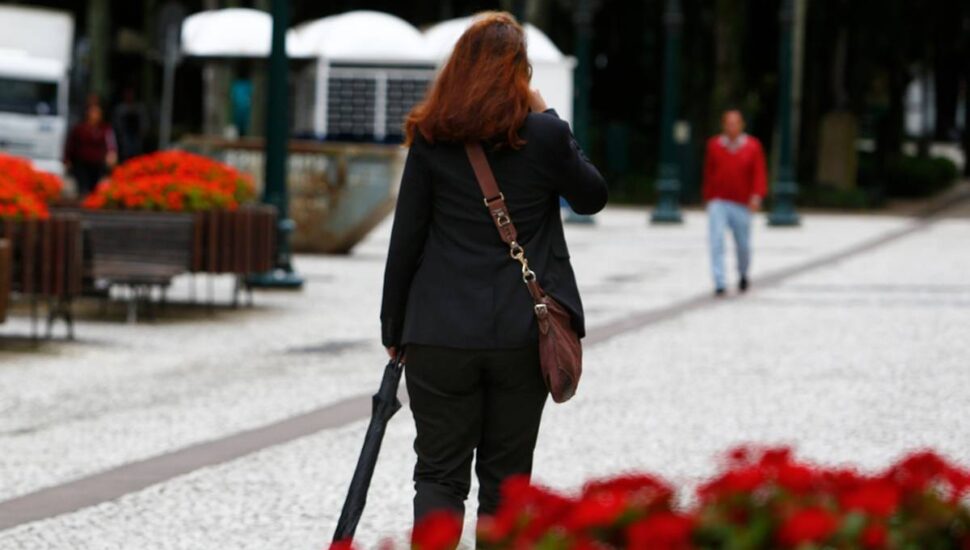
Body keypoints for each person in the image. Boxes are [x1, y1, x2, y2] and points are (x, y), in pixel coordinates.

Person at [379, 11, 607, 537]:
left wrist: (394, 328)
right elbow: (592, 196)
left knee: (438, 475)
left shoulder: (432, 137)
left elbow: (405, 241)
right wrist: (550, 114)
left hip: (437, 333)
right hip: (521, 332)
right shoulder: (544, 135)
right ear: (520, 74)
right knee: (506, 483)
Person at [702, 109, 767, 296]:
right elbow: (709, 173)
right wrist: (708, 197)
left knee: (743, 244)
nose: (732, 127)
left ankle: (743, 273)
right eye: (728, 123)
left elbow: (759, 173)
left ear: (741, 125)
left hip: (742, 203)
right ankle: (719, 281)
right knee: (716, 241)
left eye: (735, 123)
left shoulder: (752, 146)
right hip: (719, 201)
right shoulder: (714, 145)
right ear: (723, 125)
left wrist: (757, 196)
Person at [64, 101, 117, 196]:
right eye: (92, 112)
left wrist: (111, 155)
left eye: (97, 113)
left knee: (95, 188)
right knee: (83, 188)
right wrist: (67, 159)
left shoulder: (105, 129)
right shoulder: (79, 129)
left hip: (97, 163)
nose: (94, 115)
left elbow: (111, 144)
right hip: (81, 163)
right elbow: (71, 144)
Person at [112, 87, 149, 162]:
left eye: (131, 94)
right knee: (125, 157)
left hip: (136, 138)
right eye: (127, 94)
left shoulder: (139, 108)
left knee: (136, 158)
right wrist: (120, 135)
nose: (129, 96)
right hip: (125, 138)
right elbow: (117, 124)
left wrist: (142, 132)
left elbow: (144, 123)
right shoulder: (120, 109)